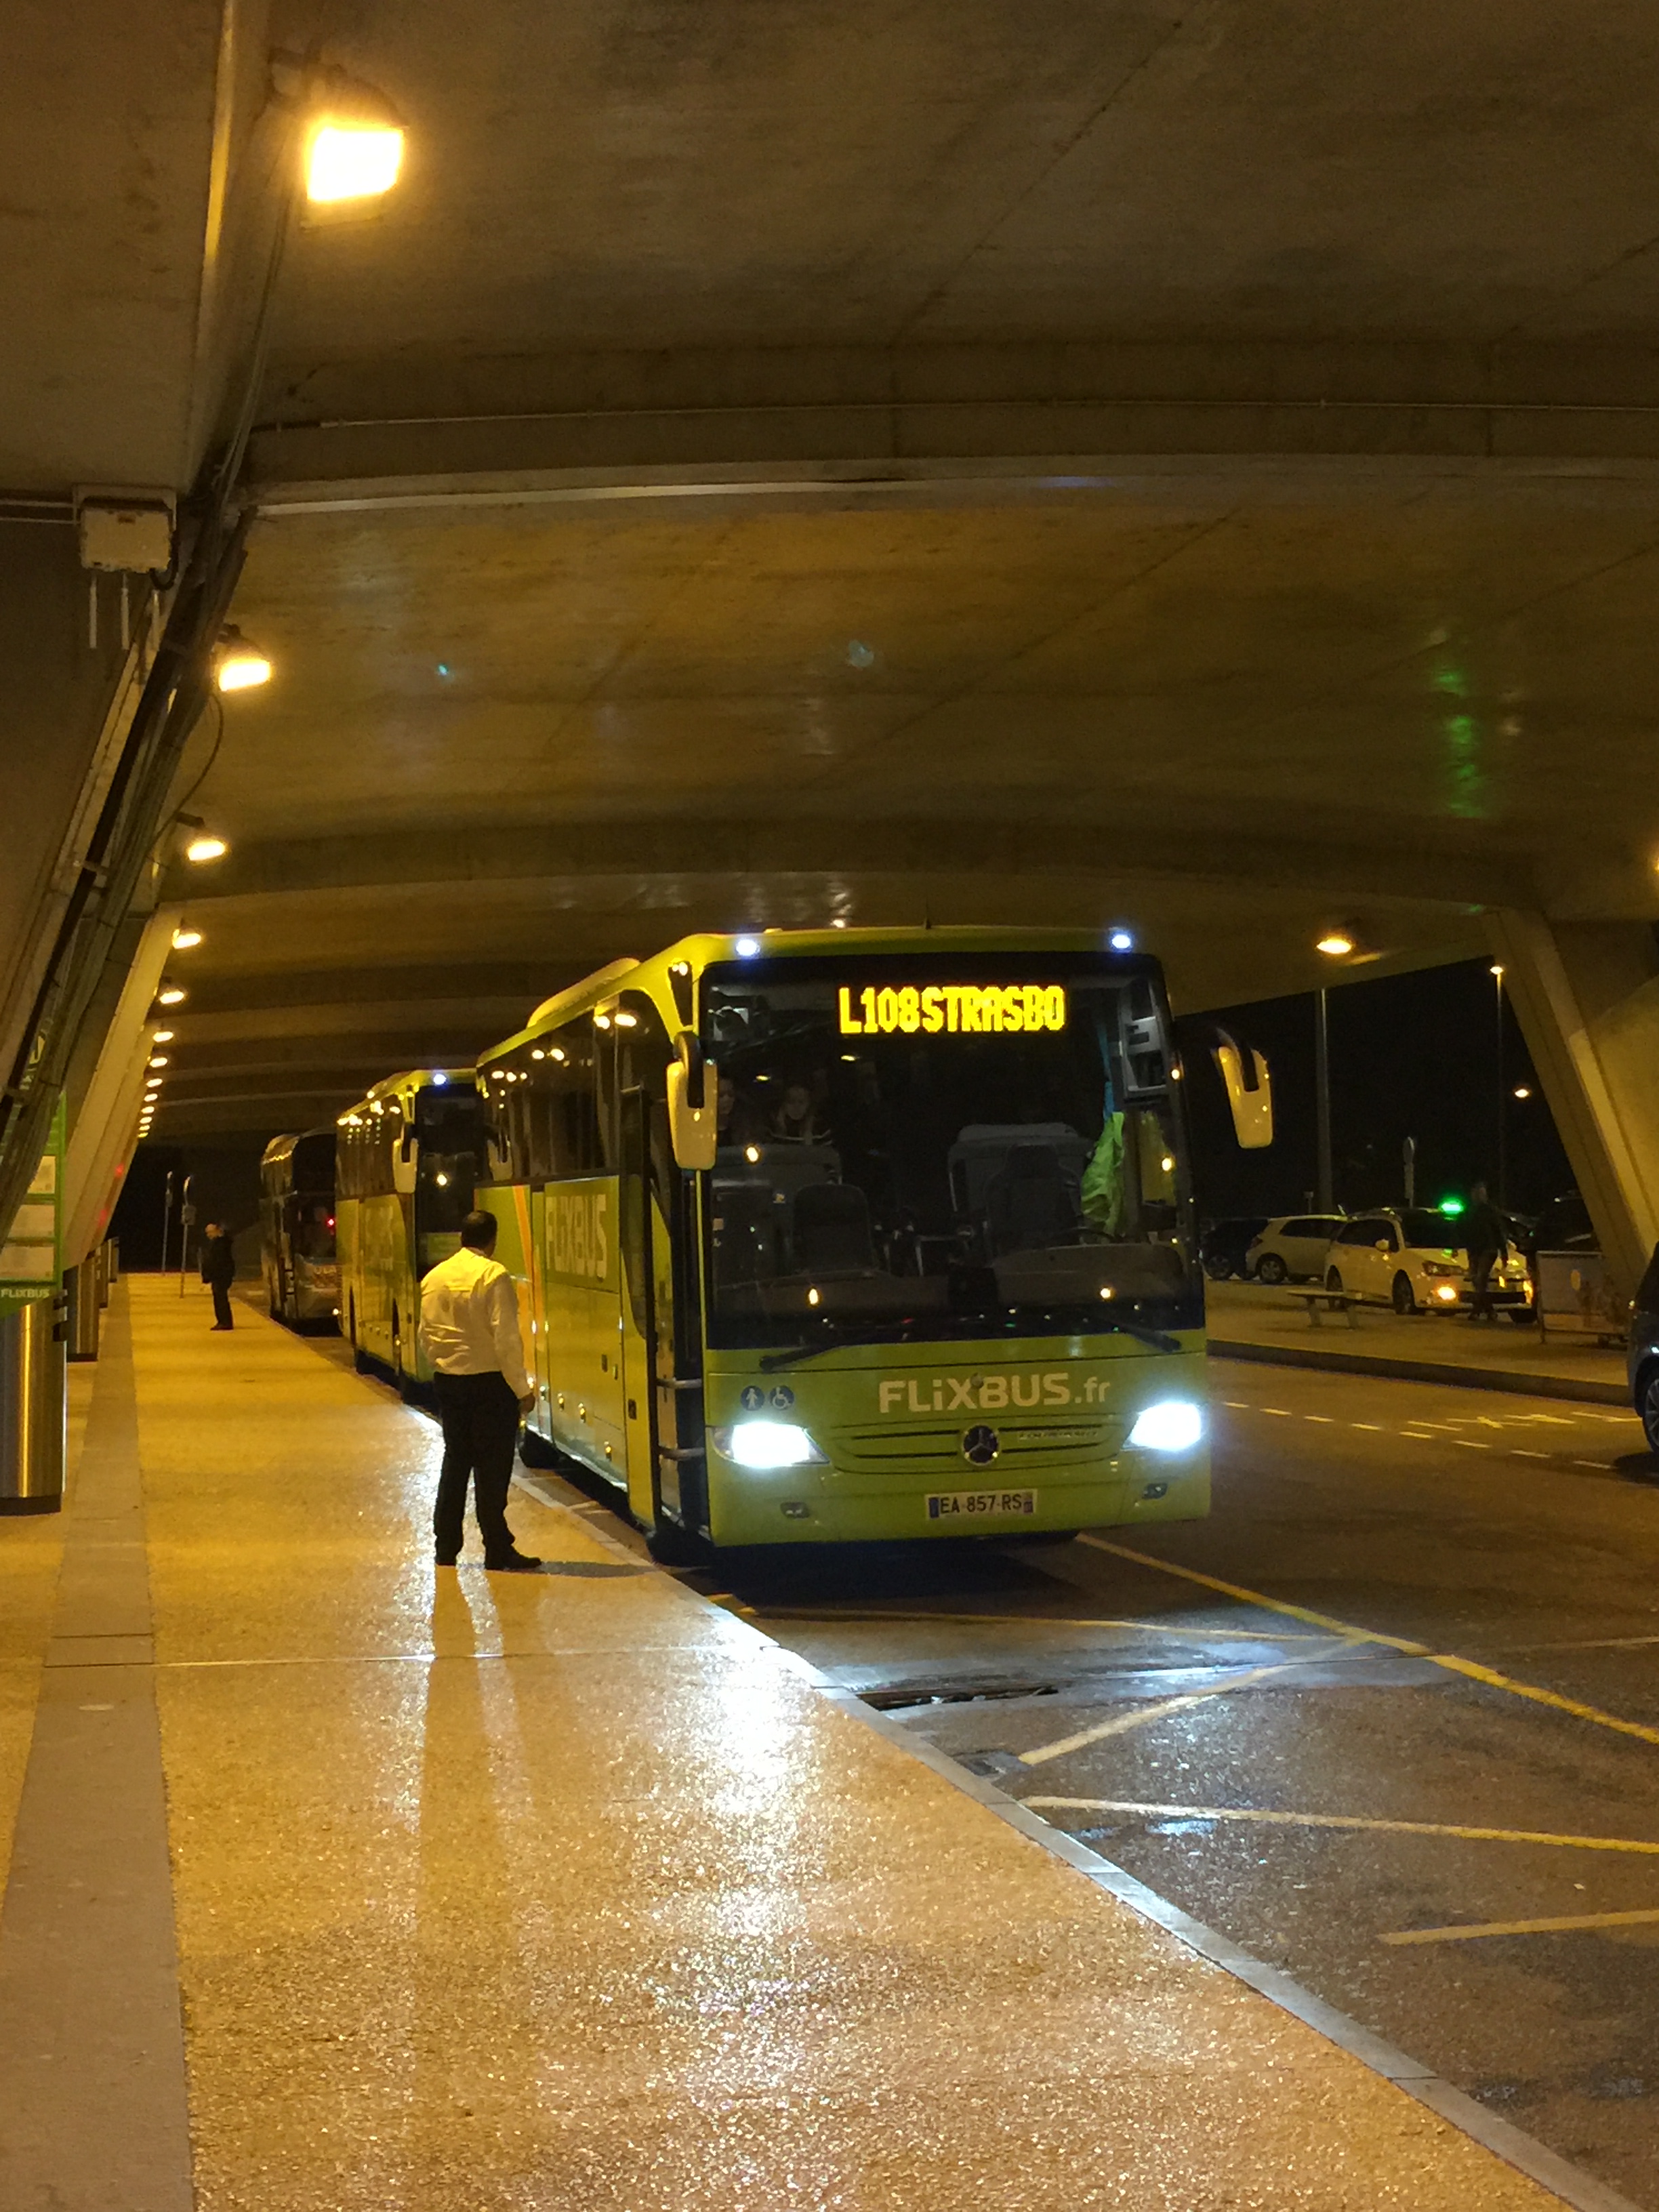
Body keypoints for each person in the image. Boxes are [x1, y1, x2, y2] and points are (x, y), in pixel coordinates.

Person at [417, 1210, 541, 1572]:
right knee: (492, 1469)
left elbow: (427, 1334)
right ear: (492, 1239)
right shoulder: (493, 1275)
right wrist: (522, 1389)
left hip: (449, 1382)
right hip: (489, 1384)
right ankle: (496, 1547)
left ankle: (446, 1547)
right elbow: (506, 1341)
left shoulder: (435, 1277)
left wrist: (444, 1365)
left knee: (456, 1462)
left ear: (462, 1237)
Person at [1462, 1181, 1509, 1322]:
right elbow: (1463, 1231)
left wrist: (1503, 1252)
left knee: (1480, 1278)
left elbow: (1498, 1232)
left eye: (1482, 1193)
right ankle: (1490, 1310)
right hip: (1475, 1250)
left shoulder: (1490, 1211)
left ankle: (1476, 1311)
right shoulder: (1470, 1212)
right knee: (1478, 1282)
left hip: (1488, 1250)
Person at [201, 1222, 236, 1330]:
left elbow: (217, 1261)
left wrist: (209, 1274)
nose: (208, 1235)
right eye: (207, 1233)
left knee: (220, 1299)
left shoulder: (220, 1244)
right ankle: (223, 1321)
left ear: (216, 1231)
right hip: (219, 1275)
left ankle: (225, 1322)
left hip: (221, 1276)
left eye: (210, 1232)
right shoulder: (219, 1243)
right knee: (220, 1298)